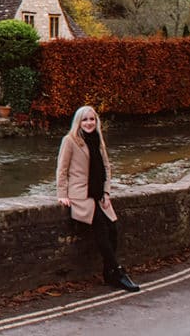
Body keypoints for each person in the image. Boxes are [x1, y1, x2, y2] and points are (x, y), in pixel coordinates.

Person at [56, 105, 140, 292]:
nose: (89, 123)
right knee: (101, 229)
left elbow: (107, 168)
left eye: (92, 119)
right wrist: (62, 195)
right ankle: (117, 272)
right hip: (81, 195)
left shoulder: (98, 140)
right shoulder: (69, 141)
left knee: (113, 229)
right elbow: (62, 169)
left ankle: (108, 273)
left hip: (99, 194)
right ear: (78, 122)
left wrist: (106, 193)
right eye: (85, 120)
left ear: (96, 121)